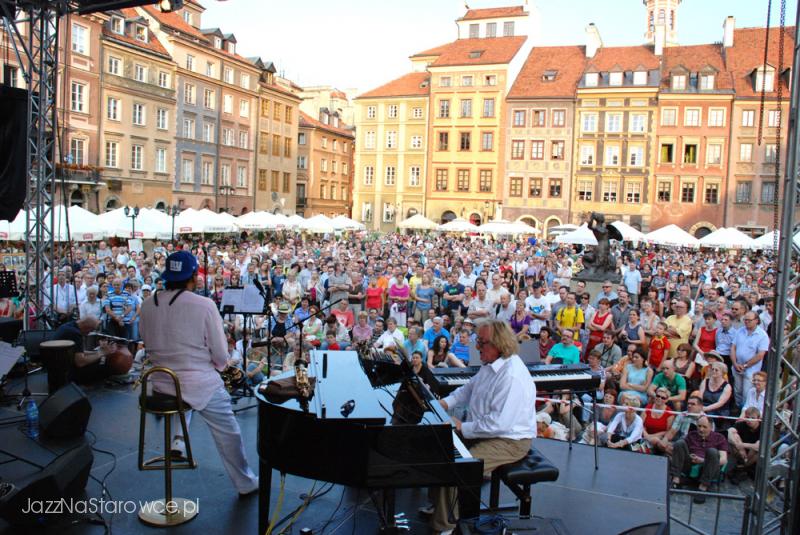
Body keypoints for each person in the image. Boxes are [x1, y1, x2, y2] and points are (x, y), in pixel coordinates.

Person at [138, 250, 259, 497]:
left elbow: (146, 341)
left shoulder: (147, 304)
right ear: (194, 276)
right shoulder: (205, 305)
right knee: (229, 432)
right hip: (199, 384)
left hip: (160, 382)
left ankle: (179, 440)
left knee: (185, 394)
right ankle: (245, 483)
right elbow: (221, 356)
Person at [426, 320, 536, 533]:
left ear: (499, 344)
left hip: (509, 441)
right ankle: (439, 506)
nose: (476, 347)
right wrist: (444, 404)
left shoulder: (511, 376)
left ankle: (446, 527)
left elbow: (498, 424)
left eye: (481, 342)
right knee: (439, 445)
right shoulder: (491, 365)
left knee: (458, 468)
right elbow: (467, 390)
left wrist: (462, 426)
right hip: (486, 430)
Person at [669, 415, 728, 503]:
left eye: (704, 427)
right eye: (699, 426)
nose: (701, 429)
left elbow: (724, 460)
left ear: (711, 427)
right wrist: (689, 456)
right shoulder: (692, 434)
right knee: (679, 443)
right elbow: (680, 450)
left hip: (709, 467)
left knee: (712, 452)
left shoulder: (719, 437)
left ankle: (703, 487)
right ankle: (676, 480)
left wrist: (703, 460)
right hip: (691, 464)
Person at [730, 311, 770, 407]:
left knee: (747, 393)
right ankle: (738, 409)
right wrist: (735, 363)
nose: (746, 322)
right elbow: (733, 347)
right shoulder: (740, 331)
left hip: (751, 370)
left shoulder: (762, 335)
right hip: (737, 366)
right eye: (745, 320)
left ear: (756, 320)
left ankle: (746, 411)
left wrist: (745, 365)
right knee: (737, 390)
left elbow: (760, 355)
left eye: (749, 320)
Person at [726, 407, 761, 484]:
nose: (749, 420)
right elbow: (729, 431)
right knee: (735, 436)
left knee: (757, 447)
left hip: (753, 454)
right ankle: (743, 467)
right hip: (743, 453)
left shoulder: (762, 427)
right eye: (747, 417)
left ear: (758, 418)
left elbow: (759, 446)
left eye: (753, 418)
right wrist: (739, 447)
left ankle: (744, 466)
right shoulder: (742, 424)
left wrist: (742, 445)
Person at [641, 387, 676, 454]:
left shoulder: (670, 413)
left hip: (660, 438)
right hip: (644, 436)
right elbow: (640, 424)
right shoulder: (648, 407)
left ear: (666, 400)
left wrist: (652, 437)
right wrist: (646, 435)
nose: (659, 398)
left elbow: (668, 431)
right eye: (658, 396)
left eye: (663, 398)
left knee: (655, 440)